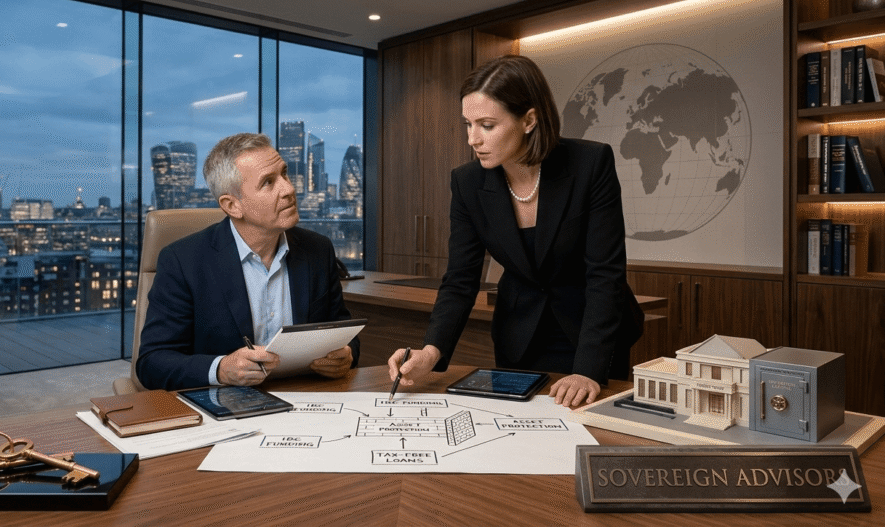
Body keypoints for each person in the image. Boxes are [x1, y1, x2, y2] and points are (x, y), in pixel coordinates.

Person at [388, 55, 642, 407]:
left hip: (593, 335)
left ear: (529, 120)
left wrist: (588, 370)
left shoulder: (589, 164)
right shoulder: (467, 182)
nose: (473, 139)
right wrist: (432, 351)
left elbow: (605, 274)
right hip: (520, 335)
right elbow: (460, 278)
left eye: (487, 125)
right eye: (468, 124)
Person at [137, 132, 359, 390]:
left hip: (304, 400)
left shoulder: (317, 250)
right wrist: (220, 370)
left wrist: (347, 354)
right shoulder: (183, 262)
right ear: (232, 205)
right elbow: (152, 363)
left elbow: (344, 332)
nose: (288, 189)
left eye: (284, 174)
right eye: (268, 182)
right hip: (223, 407)